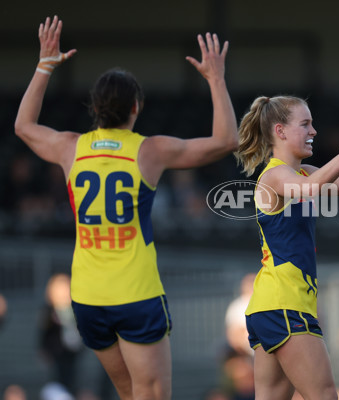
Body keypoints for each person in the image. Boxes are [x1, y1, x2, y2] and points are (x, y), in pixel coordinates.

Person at [14, 16, 238, 400]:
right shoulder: (149, 150)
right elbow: (226, 140)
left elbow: (23, 125)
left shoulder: (71, 148)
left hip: (87, 297)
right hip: (135, 293)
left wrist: (44, 65)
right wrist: (215, 78)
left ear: (95, 108)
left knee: (129, 394)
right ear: (136, 107)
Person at [235, 96, 339, 400]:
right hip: (284, 304)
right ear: (281, 131)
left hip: (270, 307)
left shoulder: (303, 173)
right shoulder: (276, 175)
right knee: (325, 395)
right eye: (305, 124)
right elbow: (309, 189)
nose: (313, 131)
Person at [38, 273, 83, 396]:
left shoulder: (76, 310)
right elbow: (44, 333)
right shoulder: (49, 312)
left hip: (73, 354)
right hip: (57, 356)